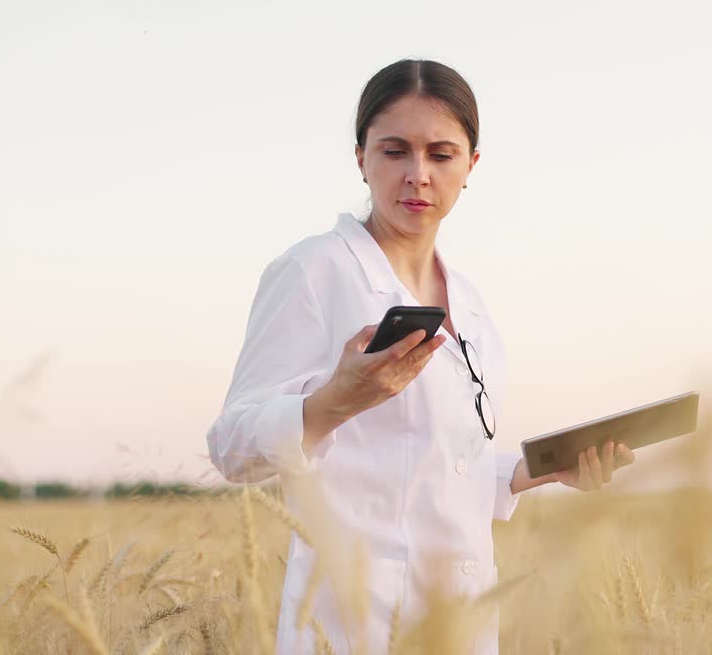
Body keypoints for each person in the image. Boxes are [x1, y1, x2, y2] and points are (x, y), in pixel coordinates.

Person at [206, 58, 636, 654]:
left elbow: (440, 467)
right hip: (352, 626)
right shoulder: (314, 271)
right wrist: (331, 403)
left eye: (440, 154)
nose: (417, 175)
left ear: (471, 165)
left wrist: (539, 469)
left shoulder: (470, 301)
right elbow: (231, 449)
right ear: (360, 157)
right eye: (393, 152)